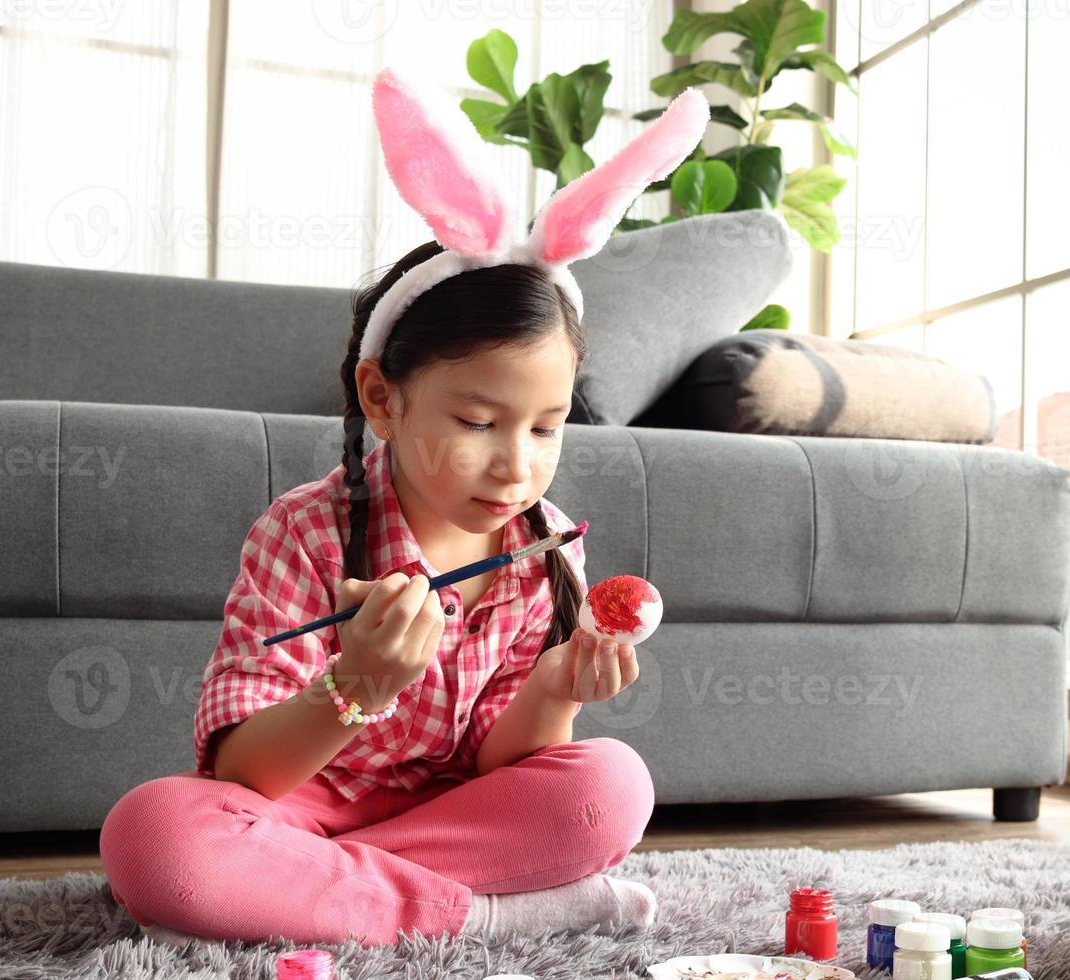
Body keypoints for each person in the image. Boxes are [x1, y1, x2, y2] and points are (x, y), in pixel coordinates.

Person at [98, 67, 711, 947]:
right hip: (298, 808)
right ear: (382, 400)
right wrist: (359, 683)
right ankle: (491, 916)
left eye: (545, 428)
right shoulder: (304, 533)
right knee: (156, 837)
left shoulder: (543, 554)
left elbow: (508, 766)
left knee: (612, 785)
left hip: (455, 814)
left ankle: (327, 896)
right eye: (475, 421)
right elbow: (246, 774)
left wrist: (553, 689)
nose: (515, 465)